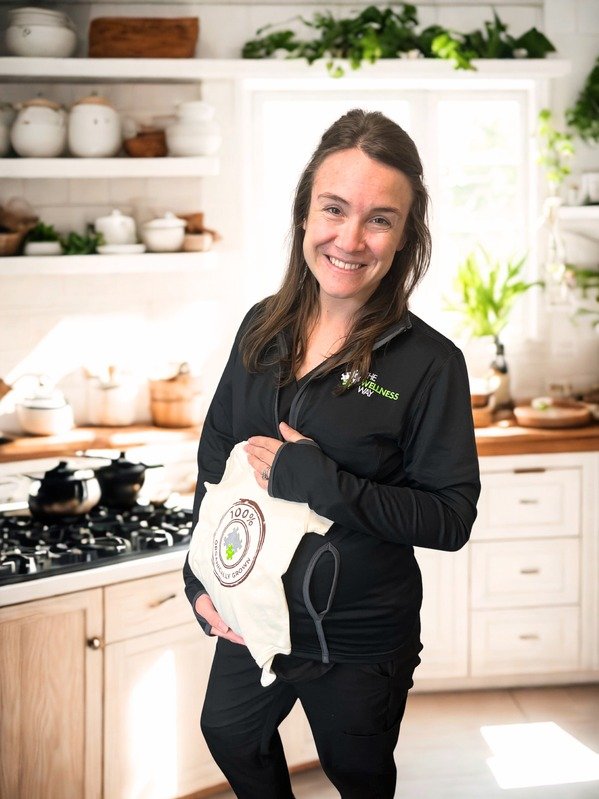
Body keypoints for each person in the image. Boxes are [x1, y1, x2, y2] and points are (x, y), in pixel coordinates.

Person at [183, 108, 480, 799]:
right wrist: (200, 580)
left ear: (405, 235)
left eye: (379, 218)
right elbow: (215, 458)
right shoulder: (260, 326)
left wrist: (324, 484)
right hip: (250, 607)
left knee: (357, 774)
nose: (350, 238)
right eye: (333, 209)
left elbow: (450, 517)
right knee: (229, 732)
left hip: (358, 634)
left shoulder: (428, 363)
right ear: (304, 214)